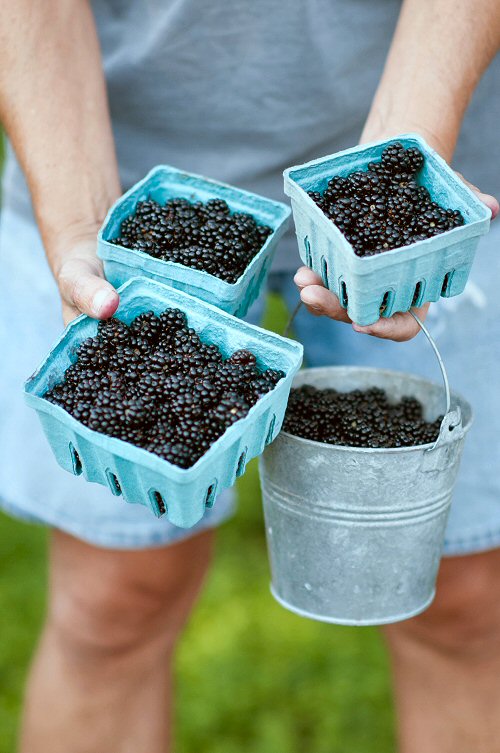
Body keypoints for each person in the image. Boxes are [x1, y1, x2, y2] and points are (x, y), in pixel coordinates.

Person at [0, 1, 499, 751]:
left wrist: (400, 173)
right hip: (118, 169)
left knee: (461, 599)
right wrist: (76, 221)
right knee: (111, 600)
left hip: (431, 134)